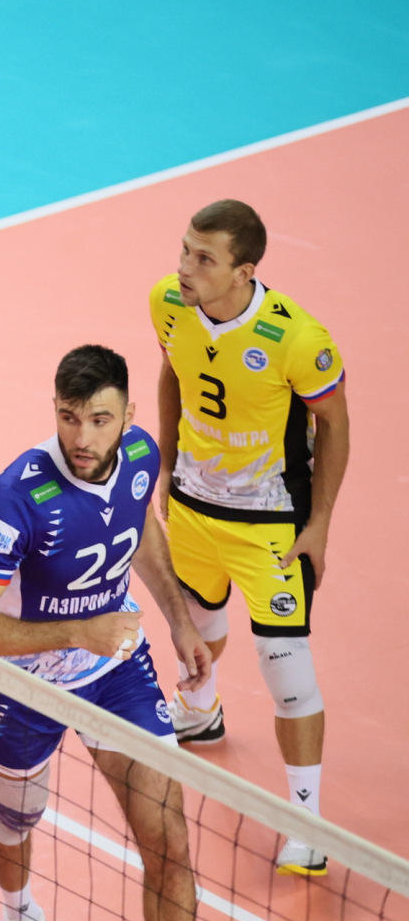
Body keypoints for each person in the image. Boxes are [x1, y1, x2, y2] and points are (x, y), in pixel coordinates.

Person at [0, 345, 219, 921]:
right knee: (16, 818)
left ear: (128, 414)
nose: (83, 436)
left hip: (114, 670)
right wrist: (78, 631)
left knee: (170, 844)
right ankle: (18, 917)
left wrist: (180, 622)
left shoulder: (141, 456)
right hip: (22, 680)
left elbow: (143, 528)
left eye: (100, 419)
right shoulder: (14, 497)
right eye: (70, 418)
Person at [151, 200, 349, 876]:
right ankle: (199, 710)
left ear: (244, 271)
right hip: (193, 508)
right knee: (197, 624)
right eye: (184, 250)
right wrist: (166, 465)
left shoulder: (297, 339)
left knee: (286, 670)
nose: (185, 267)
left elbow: (335, 423)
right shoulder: (168, 302)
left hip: (271, 522)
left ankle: (306, 825)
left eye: (204, 259)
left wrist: (320, 524)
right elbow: (173, 370)